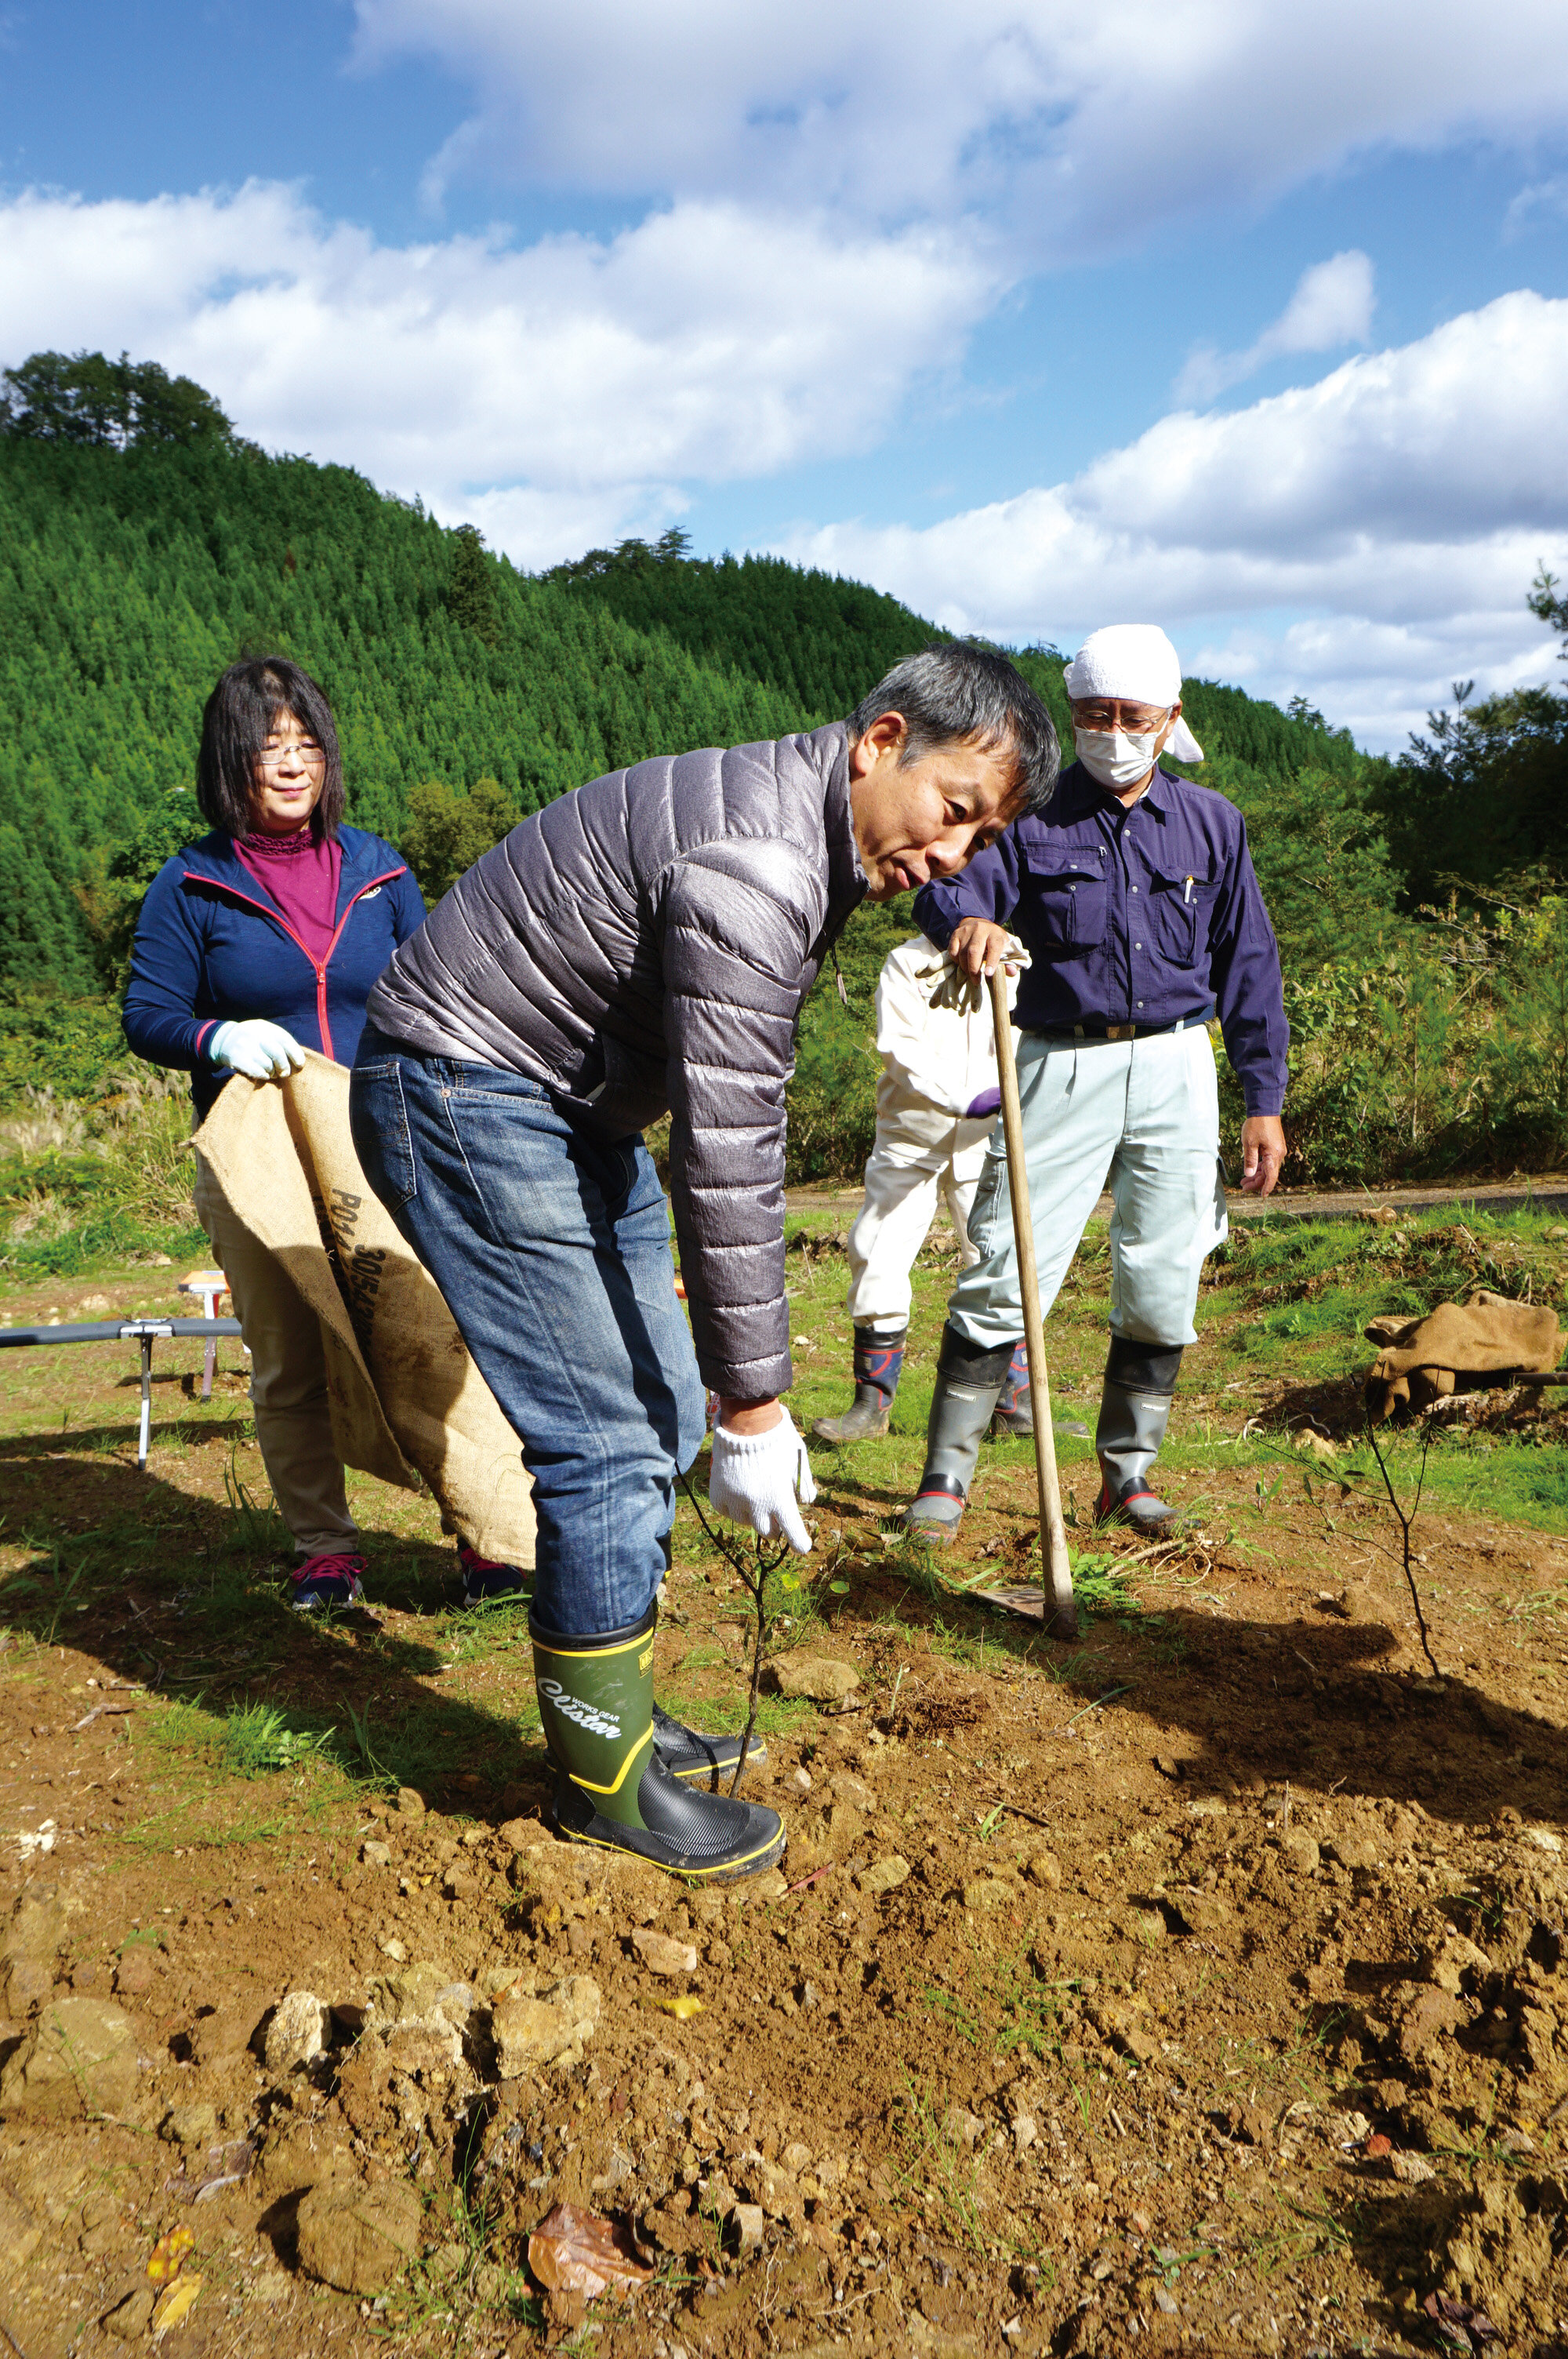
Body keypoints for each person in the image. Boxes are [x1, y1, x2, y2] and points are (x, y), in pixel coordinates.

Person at [348, 645, 1058, 1881]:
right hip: (465, 1088)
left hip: (564, 1102)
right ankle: (603, 1781)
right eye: (955, 813)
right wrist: (762, 1399)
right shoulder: (763, 867)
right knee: (609, 1438)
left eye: (978, 839)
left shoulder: (795, 822)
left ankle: (614, 1708)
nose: (952, 858)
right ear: (882, 741)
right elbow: (730, 1148)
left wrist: (724, 1394)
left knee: (664, 1404)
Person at [123, 656, 526, 1611]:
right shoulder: (192, 884)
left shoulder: (380, 869)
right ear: (233, 761)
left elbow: (434, 992)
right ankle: (324, 1549)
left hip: (386, 1142)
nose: (294, 764)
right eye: (271, 747)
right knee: (290, 1353)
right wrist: (218, 1035)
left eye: (307, 743)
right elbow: (148, 1013)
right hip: (260, 1152)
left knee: (428, 1332)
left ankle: (485, 1534)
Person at [903, 623, 1287, 1543]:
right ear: (1072, 714)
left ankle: (1127, 1477)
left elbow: (1249, 964)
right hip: (1054, 1061)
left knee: (1162, 1278)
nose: (1112, 731)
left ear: (1169, 720)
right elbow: (940, 879)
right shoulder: (1028, 812)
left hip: (1175, 1063)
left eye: (1132, 716)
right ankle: (943, 1483)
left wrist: (1262, 1099)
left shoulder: (1210, 823)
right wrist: (968, 924)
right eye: (1094, 714)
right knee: (1005, 1267)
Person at [811, 936, 1027, 1445]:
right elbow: (897, 1050)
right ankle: (871, 1407)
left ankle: (1013, 1404)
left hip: (988, 1136)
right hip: (911, 1135)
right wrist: (963, 1099)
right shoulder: (906, 963)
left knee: (998, 1259)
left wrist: (1016, 1092)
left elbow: (1026, 1037)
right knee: (877, 1251)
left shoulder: (1013, 961)